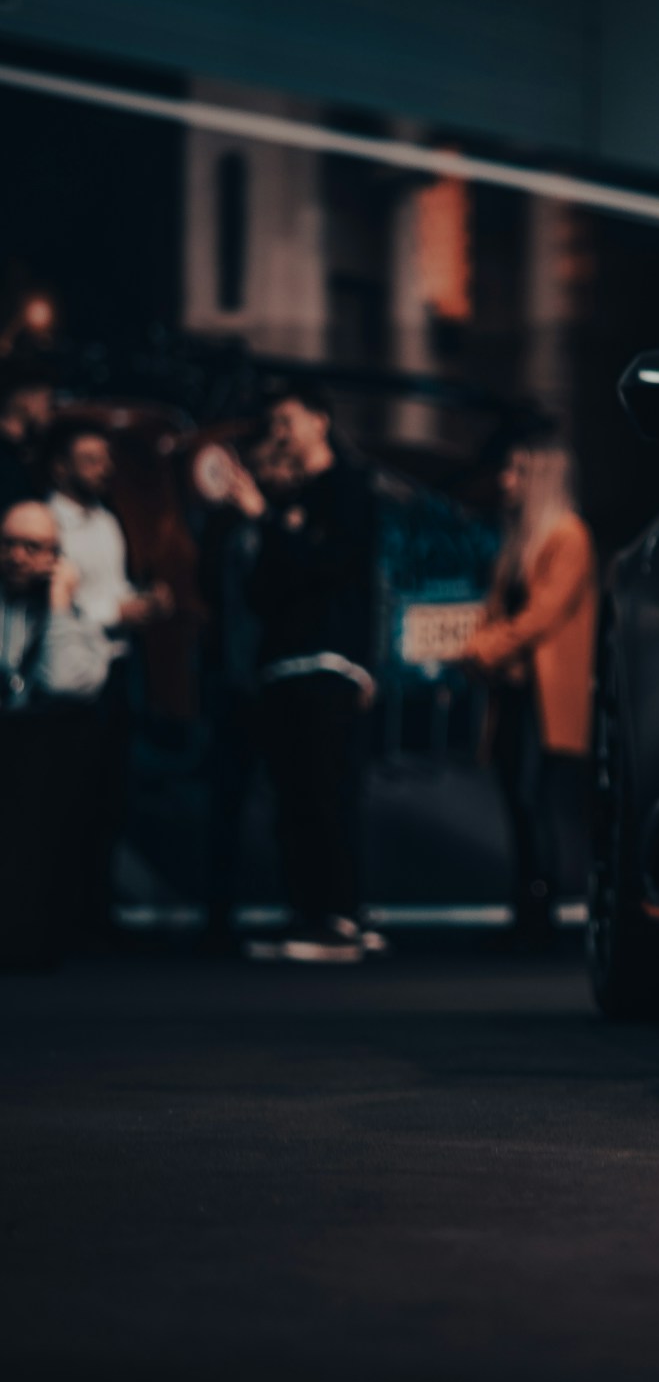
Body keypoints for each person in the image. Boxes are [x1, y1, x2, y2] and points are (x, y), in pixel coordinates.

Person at [228, 386, 381, 964]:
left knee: (323, 797)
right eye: (273, 422)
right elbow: (264, 591)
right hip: (284, 668)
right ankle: (316, 916)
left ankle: (337, 920)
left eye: (287, 419)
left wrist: (270, 524)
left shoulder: (346, 488)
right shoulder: (292, 499)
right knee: (296, 800)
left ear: (320, 421)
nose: (280, 431)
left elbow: (326, 567)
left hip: (326, 667)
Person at [461, 438, 597, 944]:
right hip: (517, 693)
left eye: (518, 470)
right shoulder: (524, 539)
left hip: (545, 695)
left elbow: (542, 614)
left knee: (533, 798)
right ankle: (528, 902)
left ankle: (539, 909)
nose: (506, 481)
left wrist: (482, 648)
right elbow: (504, 612)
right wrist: (483, 644)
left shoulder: (567, 536)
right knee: (518, 798)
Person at [46, 421, 173, 938]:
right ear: (61, 466)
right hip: (69, 671)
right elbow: (59, 599)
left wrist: (145, 601)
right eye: (91, 458)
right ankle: (63, 911)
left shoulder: (107, 520)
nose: (105, 468)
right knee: (67, 798)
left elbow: (111, 585)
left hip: (117, 670)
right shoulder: (46, 522)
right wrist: (118, 610)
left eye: (106, 458)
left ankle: (98, 911)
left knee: (110, 796)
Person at [192, 435, 299, 954]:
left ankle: (302, 913)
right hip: (233, 679)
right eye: (261, 465)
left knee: (295, 803)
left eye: (278, 465)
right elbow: (209, 586)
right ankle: (218, 918)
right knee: (226, 803)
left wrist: (265, 521)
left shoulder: (288, 524)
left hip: (279, 674)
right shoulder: (223, 524)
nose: (270, 474)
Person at [0, 501, 111, 965]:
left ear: (55, 556)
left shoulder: (79, 621)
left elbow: (64, 681)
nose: (18, 556)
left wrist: (60, 604)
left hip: (44, 761)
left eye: (33, 547)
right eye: (8, 543)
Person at [0, 370, 56, 511]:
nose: (50, 411)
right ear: (24, 399)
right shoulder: (8, 457)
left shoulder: (27, 452)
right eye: (47, 400)